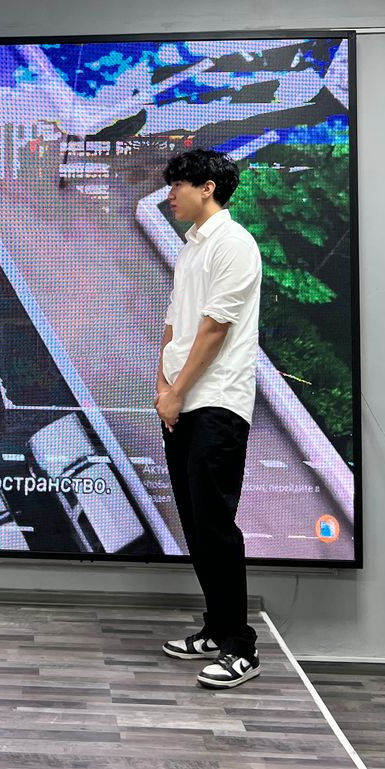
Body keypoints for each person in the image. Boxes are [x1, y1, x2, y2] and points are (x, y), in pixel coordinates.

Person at [156, 148, 262, 689]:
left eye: (178, 185)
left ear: (207, 188)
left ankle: (241, 647)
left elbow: (215, 328)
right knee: (196, 523)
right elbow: (175, 325)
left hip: (217, 401)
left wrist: (177, 391)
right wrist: (162, 388)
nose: (170, 194)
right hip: (180, 401)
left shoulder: (234, 244)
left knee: (215, 524)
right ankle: (217, 628)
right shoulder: (191, 247)